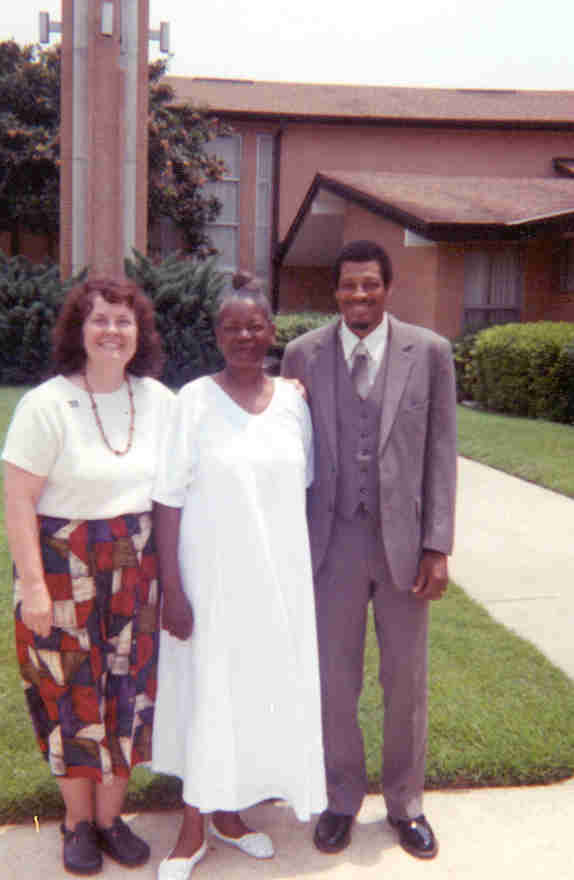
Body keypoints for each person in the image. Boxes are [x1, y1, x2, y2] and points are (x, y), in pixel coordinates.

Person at [281, 239, 457, 861]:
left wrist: (437, 546)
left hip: (404, 546)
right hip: (331, 544)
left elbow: (440, 452)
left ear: (388, 288)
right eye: (349, 285)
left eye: (370, 285)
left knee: (405, 678)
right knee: (335, 678)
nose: (359, 295)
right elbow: (287, 456)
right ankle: (340, 799)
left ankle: (406, 804)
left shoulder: (429, 353)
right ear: (335, 291)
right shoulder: (301, 356)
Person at [152, 282, 326, 880]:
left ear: (271, 332)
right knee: (209, 694)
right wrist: (172, 590)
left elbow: (301, 491)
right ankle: (191, 829)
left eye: (256, 326)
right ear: (217, 335)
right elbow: (167, 498)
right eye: (233, 328)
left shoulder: (293, 403)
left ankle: (229, 816)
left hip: (274, 583)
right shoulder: (194, 401)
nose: (245, 337)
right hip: (209, 583)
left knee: (250, 696)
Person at [2, 278, 173, 875]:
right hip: (62, 563)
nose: (112, 331)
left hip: (135, 566)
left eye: (124, 321)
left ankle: (110, 819)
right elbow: (18, 500)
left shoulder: (157, 400)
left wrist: (285, 388)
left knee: (126, 691)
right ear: (80, 328)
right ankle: (76, 823)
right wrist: (33, 588)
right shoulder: (46, 404)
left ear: (139, 333)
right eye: (99, 319)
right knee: (72, 693)